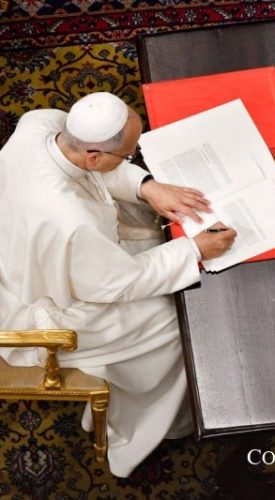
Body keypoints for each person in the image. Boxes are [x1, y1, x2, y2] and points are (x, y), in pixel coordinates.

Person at [0, 92, 237, 477]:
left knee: (143, 217)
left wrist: (146, 185)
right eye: (128, 155)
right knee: (177, 322)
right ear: (95, 156)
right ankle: (153, 424)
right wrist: (194, 249)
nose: (131, 159)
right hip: (46, 305)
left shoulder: (37, 124)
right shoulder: (70, 219)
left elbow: (90, 166)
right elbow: (117, 285)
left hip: (26, 248)